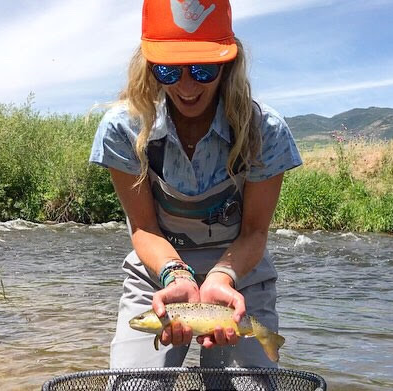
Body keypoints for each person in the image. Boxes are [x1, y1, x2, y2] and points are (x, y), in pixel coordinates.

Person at [89, 0, 302, 368]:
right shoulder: (123, 129)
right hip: (159, 273)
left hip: (240, 274)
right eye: (169, 71)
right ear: (149, 65)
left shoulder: (264, 132)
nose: (186, 86)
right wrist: (176, 273)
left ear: (228, 64)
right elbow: (143, 228)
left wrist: (221, 277)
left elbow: (254, 232)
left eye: (203, 69)